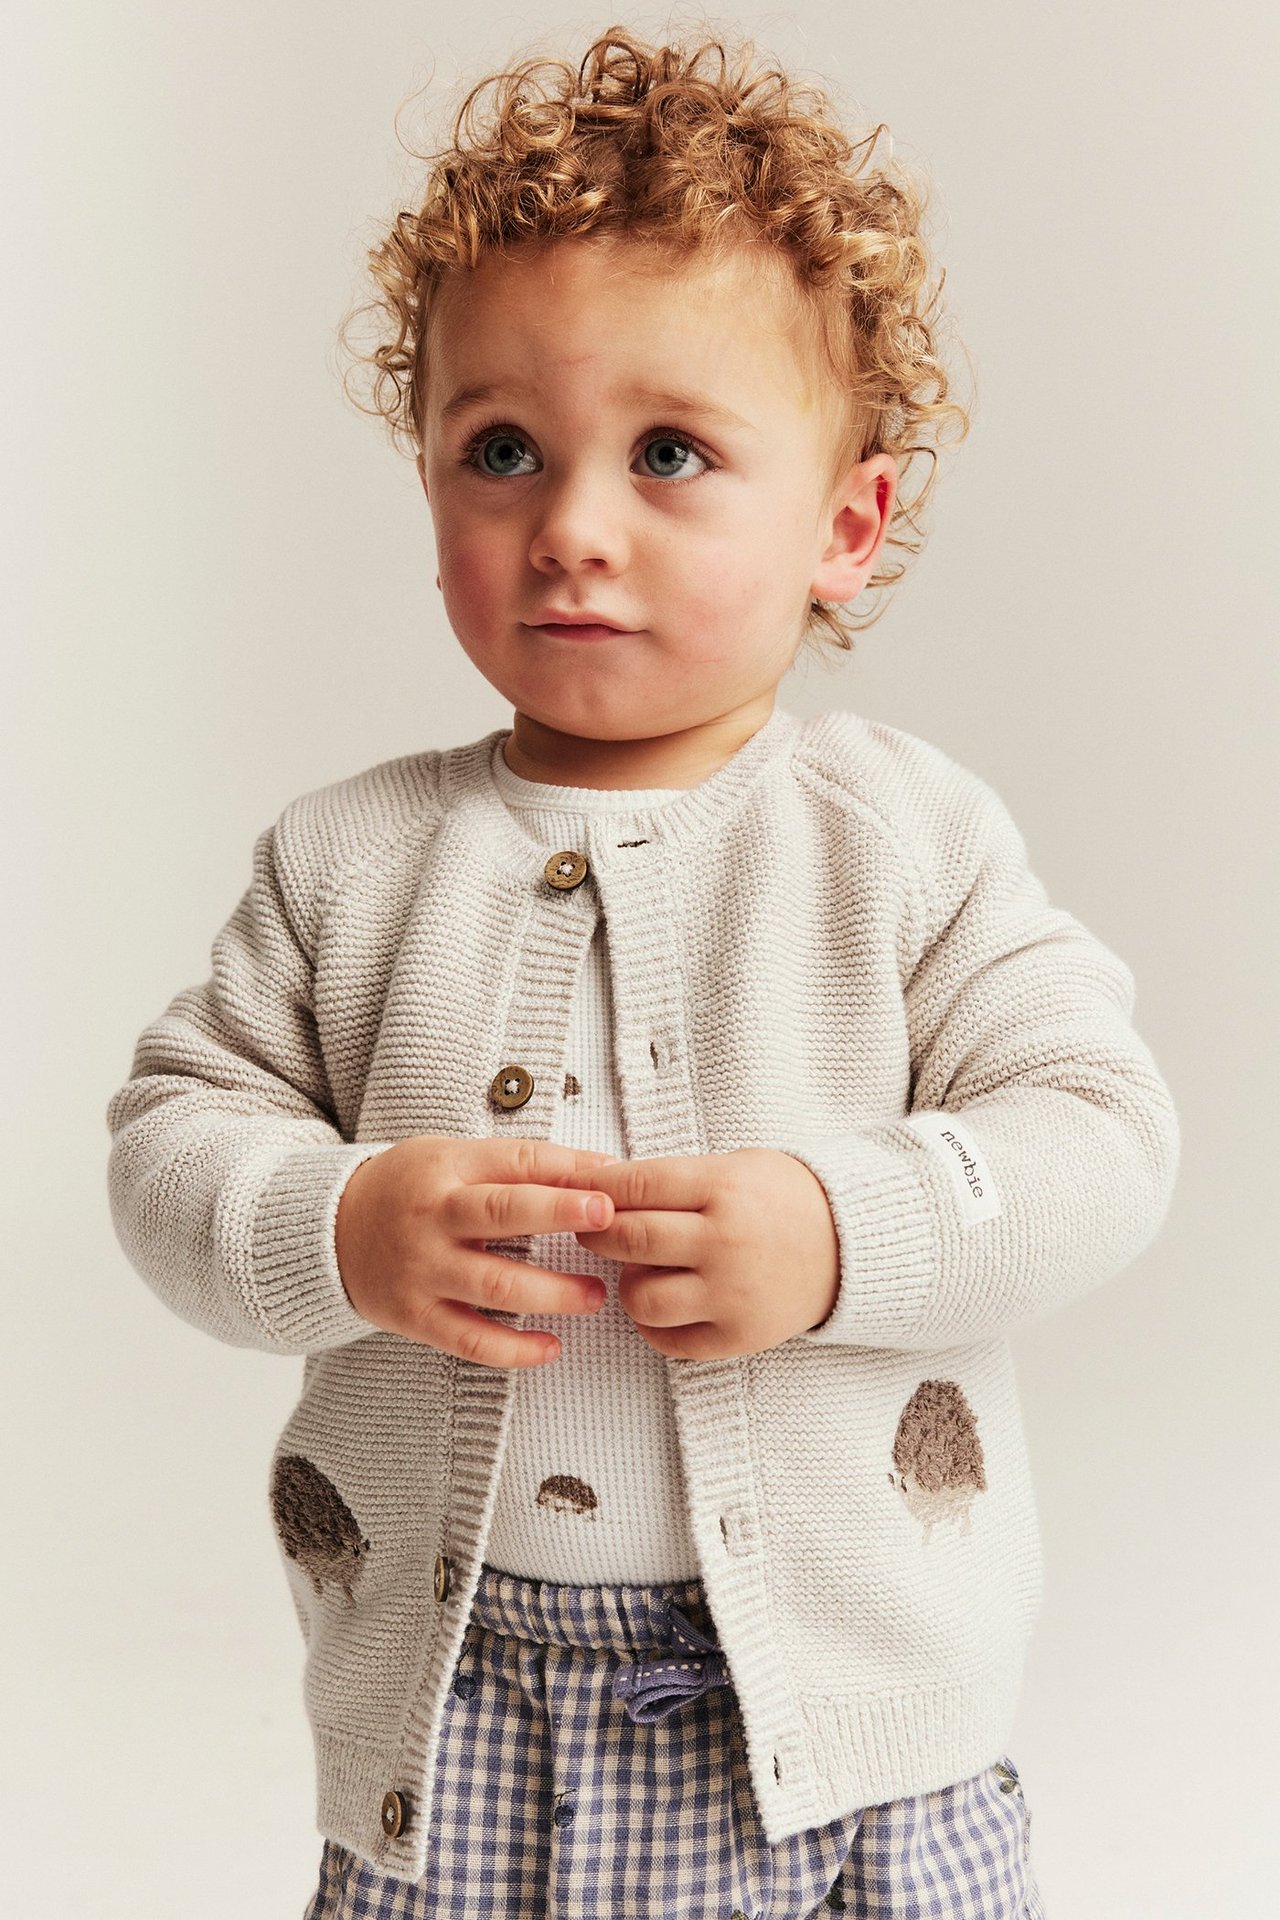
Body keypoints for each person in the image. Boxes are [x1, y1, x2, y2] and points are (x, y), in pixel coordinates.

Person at [105, 24, 1180, 1919]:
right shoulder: (346, 861)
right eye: (500, 449)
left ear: (846, 523)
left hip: (845, 1732)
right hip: (454, 1720)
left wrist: (846, 1234)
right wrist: (341, 1224)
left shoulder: (903, 842)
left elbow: (1101, 1132)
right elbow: (171, 1143)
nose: (571, 527)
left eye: (670, 453)